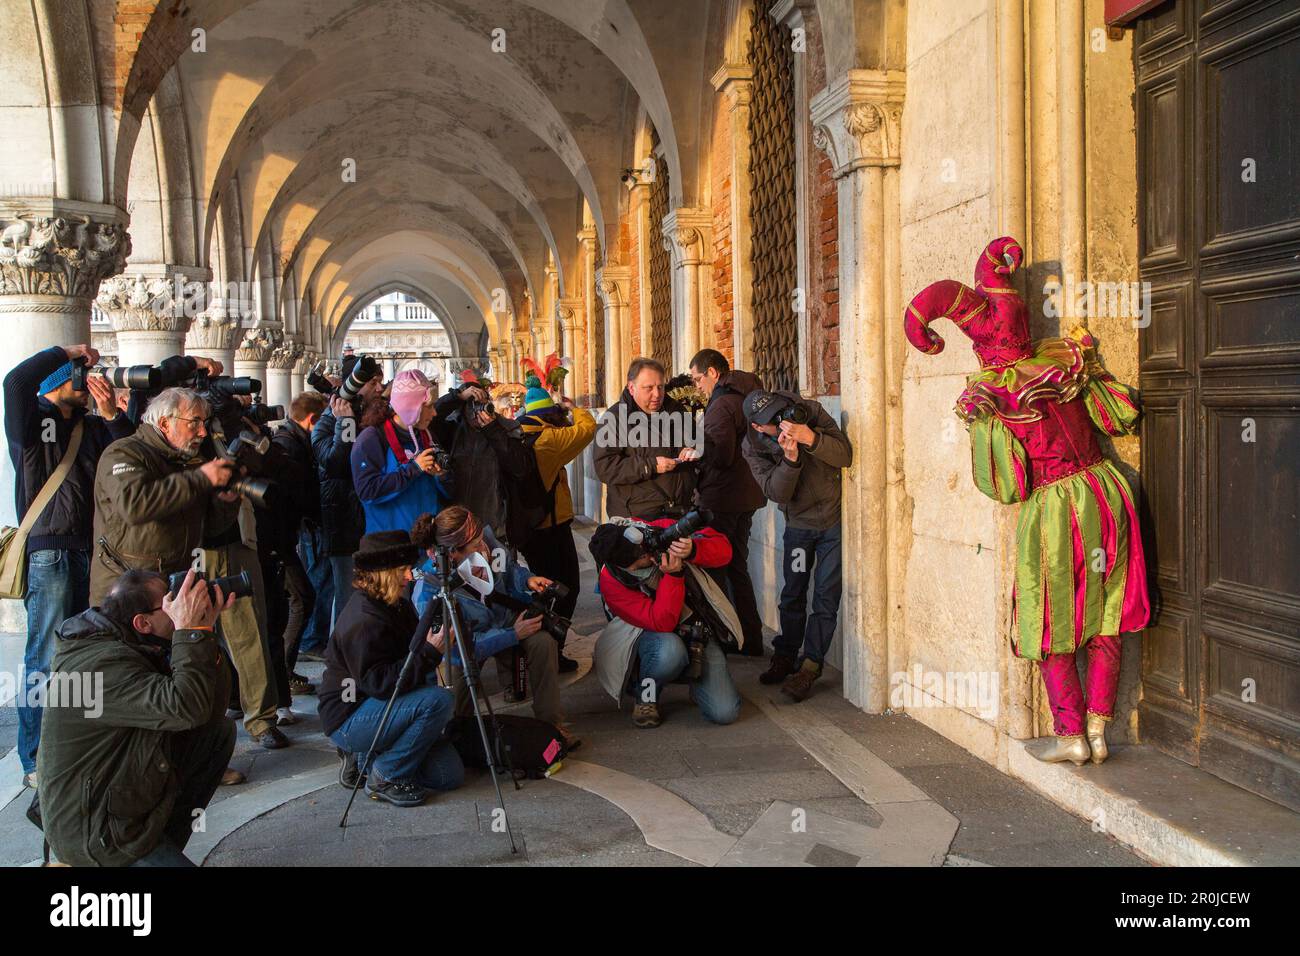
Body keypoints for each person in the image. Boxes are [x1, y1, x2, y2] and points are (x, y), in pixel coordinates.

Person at [904, 236, 1149, 766]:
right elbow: (1119, 416)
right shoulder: (1062, 361)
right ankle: (1101, 728)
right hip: (1107, 492)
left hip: (1054, 510)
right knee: (1105, 613)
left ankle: (1070, 737)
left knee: (1049, 619)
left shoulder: (992, 397)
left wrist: (984, 426)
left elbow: (1005, 485)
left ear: (978, 344)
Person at [36, 568, 237, 866]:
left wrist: (203, 632)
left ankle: (159, 840)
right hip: (94, 832)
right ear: (142, 622)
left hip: (120, 797)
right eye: (169, 602)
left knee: (217, 733)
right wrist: (191, 632)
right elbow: (186, 707)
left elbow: (206, 712)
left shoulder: (131, 643)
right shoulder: (100, 665)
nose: (179, 605)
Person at [2, 344, 135, 789]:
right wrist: (66, 351)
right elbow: (15, 382)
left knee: (81, 654)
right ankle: (35, 758)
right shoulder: (31, 420)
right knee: (45, 656)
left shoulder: (91, 426)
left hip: (90, 551)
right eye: (82, 375)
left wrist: (113, 413)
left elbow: (128, 460)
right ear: (63, 379)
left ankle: (72, 745)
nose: (90, 381)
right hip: (50, 551)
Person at [317, 530, 463, 807]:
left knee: (448, 775)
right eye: (404, 570)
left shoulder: (394, 603)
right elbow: (381, 685)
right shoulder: (362, 619)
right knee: (439, 701)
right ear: (384, 573)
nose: (410, 577)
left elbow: (409, 652)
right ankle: (385, 775)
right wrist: (431, 653)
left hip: (382, 703)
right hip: (350, 715)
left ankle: (368, 757)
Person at [410, 506, 576, 746]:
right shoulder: (429, 591)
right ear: (453, 553)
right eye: (475, 545)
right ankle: (463, 736)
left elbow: (510, 570)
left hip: (504, 618)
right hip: (468, 644)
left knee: (543, 643)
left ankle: (552, 726)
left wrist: (527, 580)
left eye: (481, 540)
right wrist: (512, 634)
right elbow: (459, 651)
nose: (483, 548)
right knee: (458, 695)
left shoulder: (485, 539)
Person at [742, 388, 853, 702]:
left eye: (781, 413)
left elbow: (845, 455)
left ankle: (811, 665)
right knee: (793, 592)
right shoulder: (752, 447)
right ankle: (786, 654)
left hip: (832, 525)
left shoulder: (810, 412)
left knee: (825, 597)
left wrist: (811, 439)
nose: (781, 423)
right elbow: (776, 493)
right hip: (799, 530)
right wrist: (791, 460)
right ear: (757, 427)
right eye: (771, 422)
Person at [588, 519, 742, 728]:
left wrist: (695, 549)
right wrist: (674, 576)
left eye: (647, 551)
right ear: (627, 567)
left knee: (725, 713)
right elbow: (662, 622)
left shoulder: (657, 530)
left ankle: (697, 684)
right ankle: (646, 694)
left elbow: (724, 550)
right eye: (642, 559)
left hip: (697, 628)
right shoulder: (612, 581)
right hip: (649, 635)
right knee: (670, 651)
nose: (651, 557)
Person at [687, 348, 766, 657]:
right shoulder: (748, 396)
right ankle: (751, 638)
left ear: (713, 373)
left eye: (697, 379)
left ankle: (726, 636)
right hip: (748, 496)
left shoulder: (721, 406)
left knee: (716, 569)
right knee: (737, 567)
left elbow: (719, 456)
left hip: (722, 499)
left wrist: (694, 449)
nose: (696, 387)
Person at [514, 378, 596, 672]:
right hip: (550, 527)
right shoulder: (548, 441)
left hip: (526, 528)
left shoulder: (518, 434)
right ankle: (550, 653)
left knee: (541, 588)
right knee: (565, 589)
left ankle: (534, 652)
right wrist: (576, 410)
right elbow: (587, 430)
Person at [312, 353, 385, 629]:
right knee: (348, 600)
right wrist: (345, 423)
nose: (379, 388)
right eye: (373, 382)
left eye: (380, 381)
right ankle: (341, 662)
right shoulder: (327, 422)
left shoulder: (372, 417)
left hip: (371, 525)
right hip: (344, 530)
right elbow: (336, 464)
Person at [592, 357, 699, 521]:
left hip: (679, 511)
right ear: (631, 387)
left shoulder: (676, 410)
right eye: (648, 388)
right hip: (637, 516)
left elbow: (700, 442)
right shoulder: (613, 419)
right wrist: (651, 465)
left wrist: (692, 449)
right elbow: (606, 467)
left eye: (661, 387)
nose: (657, 394)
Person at [432, 375, 532, 547]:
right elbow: (430, 417)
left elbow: (520, 468)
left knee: (498, 573)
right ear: (462, 408)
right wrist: (456, 396)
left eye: (482, 402)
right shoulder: (452, 430)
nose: (478, 410)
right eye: (472, 403)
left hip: (494, 527)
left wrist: (493, 431)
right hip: (457, 529)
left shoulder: (506, 429)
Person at [352, 369, 450, 534]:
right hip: (391, 547)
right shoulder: (371, 439)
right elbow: (367, 491)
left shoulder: (427, 435)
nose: (435, 413)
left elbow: (447, 492)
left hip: (427, 542)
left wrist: (442, 476)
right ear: (411, 407)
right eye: (429, 406)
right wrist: (413, 469)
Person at [273, 392, 325, 693]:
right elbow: (296, 495)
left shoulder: (292, 442)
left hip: (286, 537)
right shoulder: (289, 447)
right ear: (313, 420)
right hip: (279, 541)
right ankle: (283, 674)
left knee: (300, 599)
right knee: (301, 599)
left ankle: (284, 671)